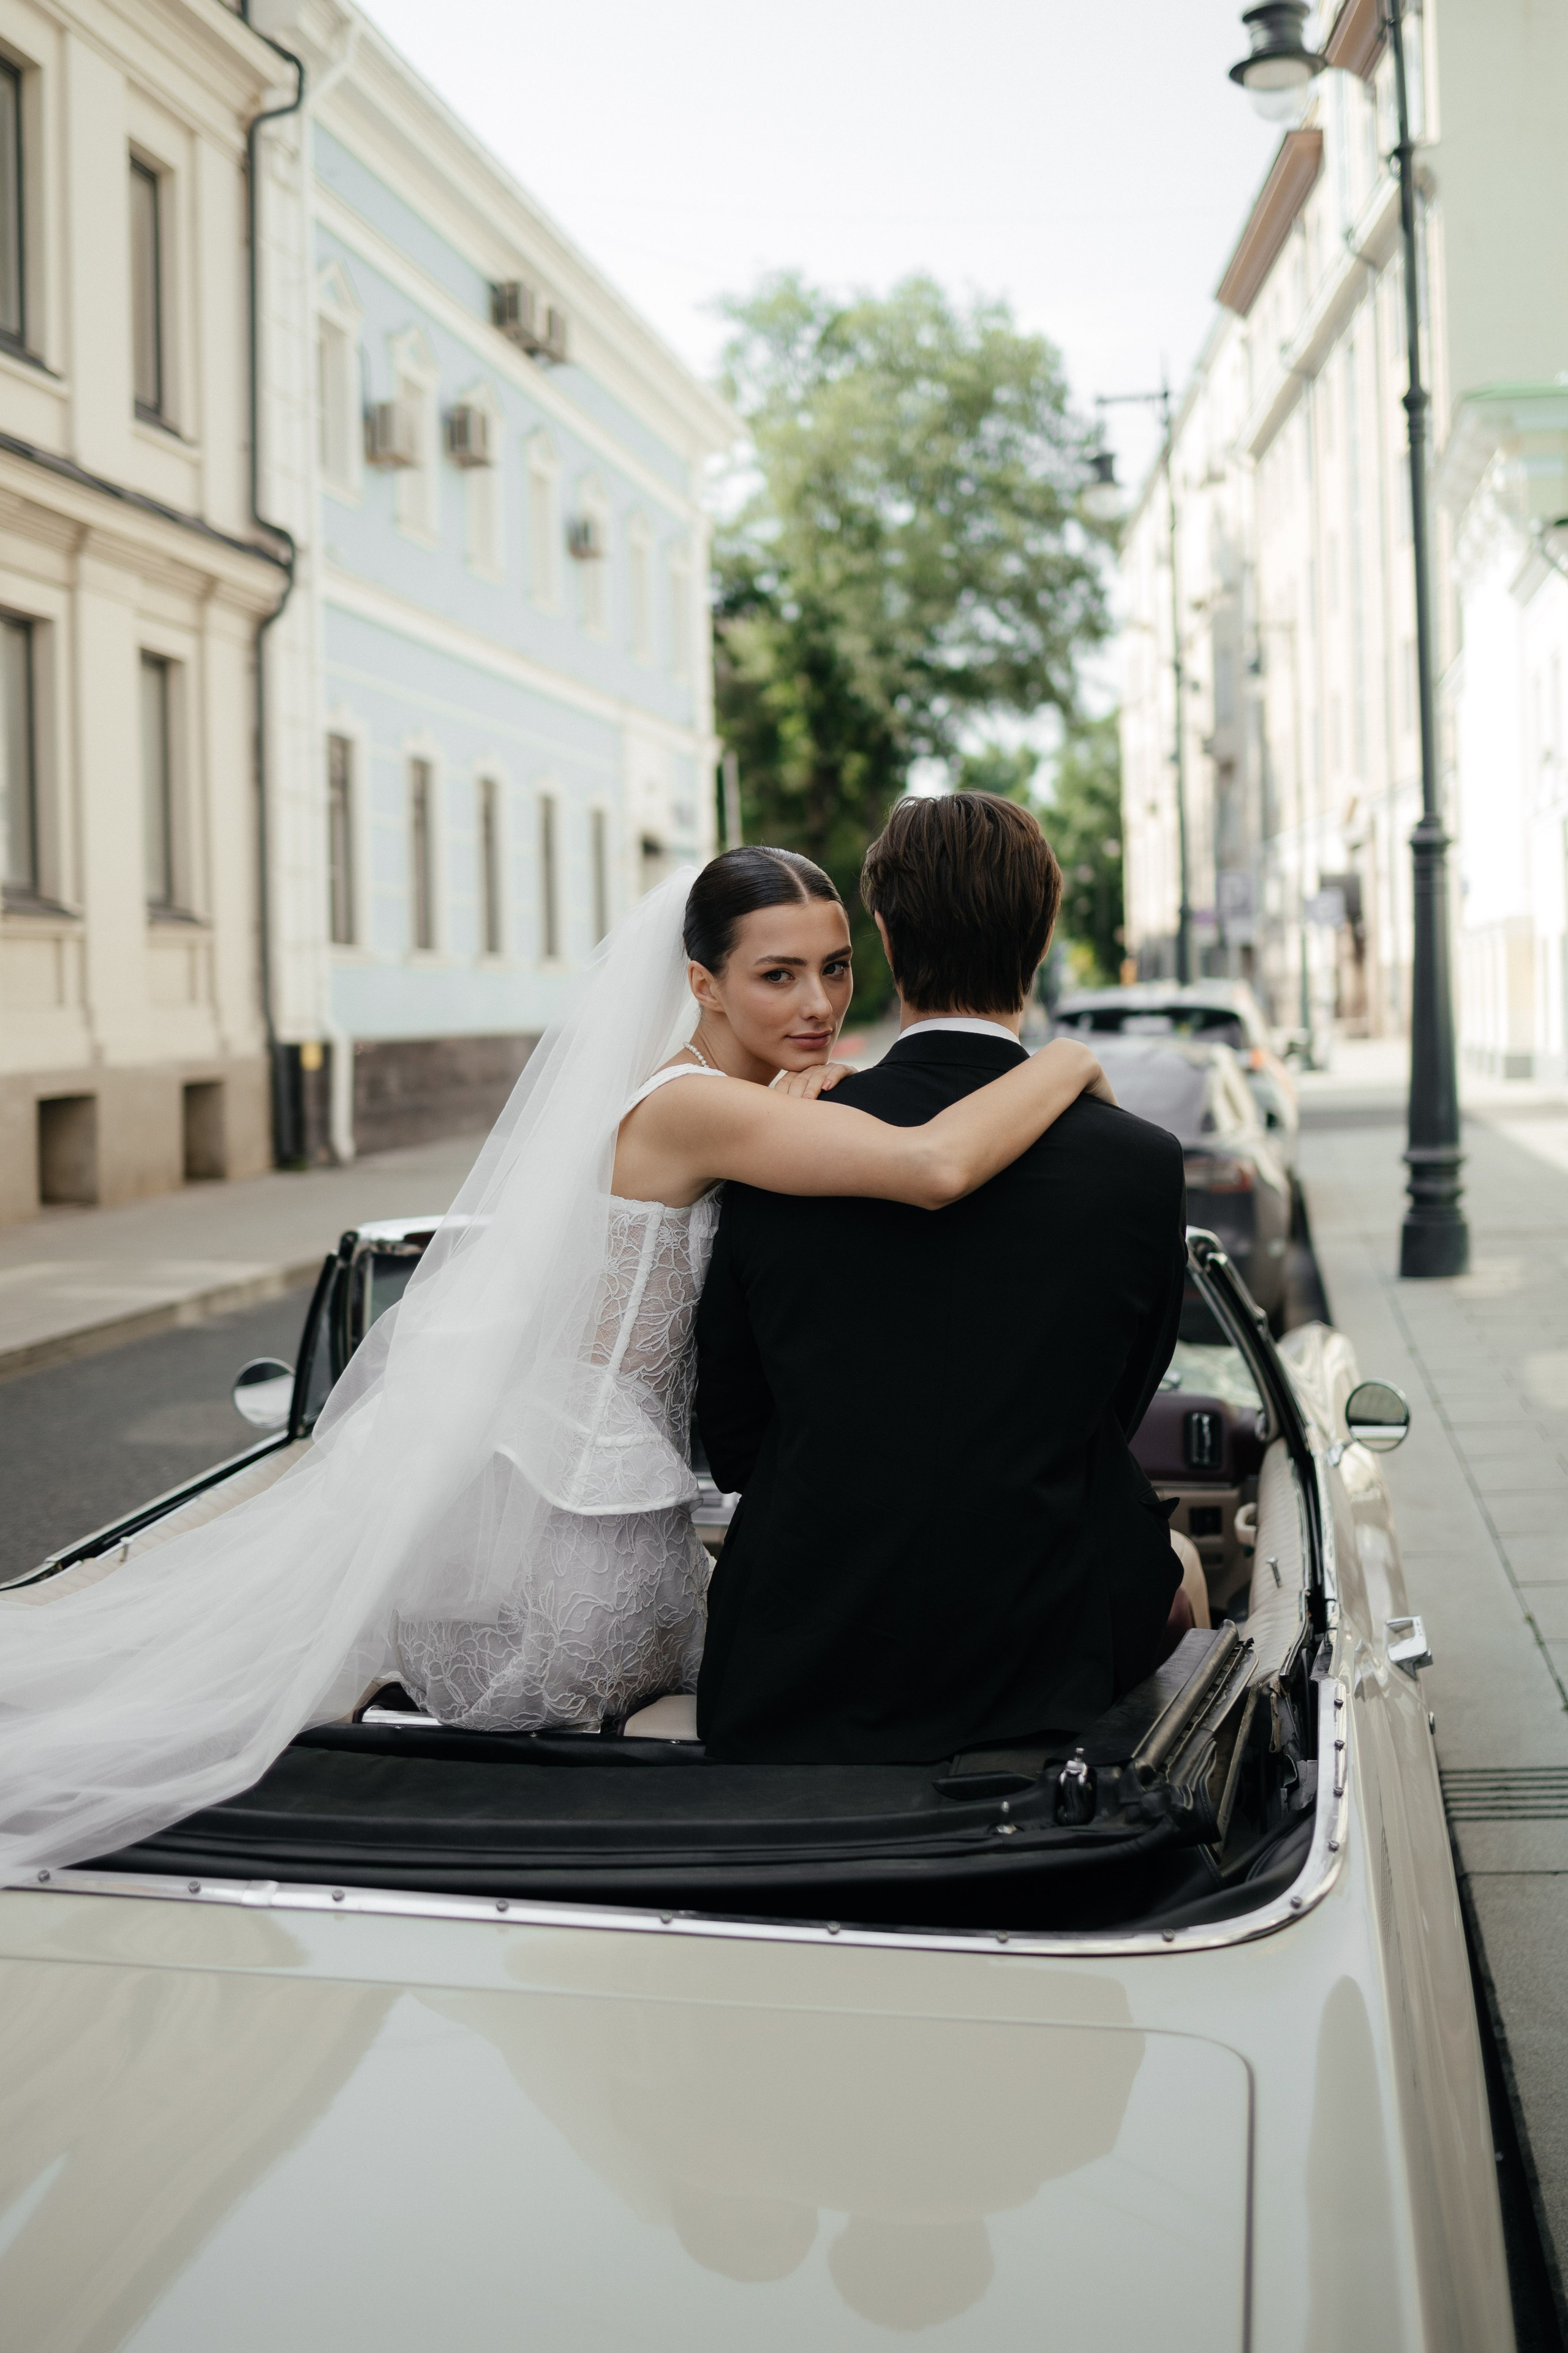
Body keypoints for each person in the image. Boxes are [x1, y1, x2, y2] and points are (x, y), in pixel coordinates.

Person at [0, 849, 1107, 1881]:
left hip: (610, 1511)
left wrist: (787, 1095)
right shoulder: (689, 1108)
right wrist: (1067, 1059)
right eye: (777, 976)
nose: (818, 1006)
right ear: (702, 983)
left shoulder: (716, 1097)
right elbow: (933, 1166)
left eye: (834, 968)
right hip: (583, 1553)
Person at [695, 793, 1192, 1766]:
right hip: (1042, 1668)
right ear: (1043, 935)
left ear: (880, 932)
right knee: (1166, 1557)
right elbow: (1115, 1404)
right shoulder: (1142, 1160)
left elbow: (739, 1444)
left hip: (793, 1669)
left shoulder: (785, 1137)